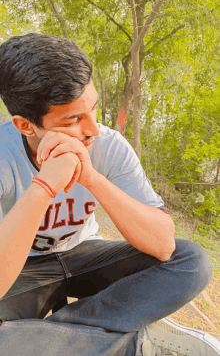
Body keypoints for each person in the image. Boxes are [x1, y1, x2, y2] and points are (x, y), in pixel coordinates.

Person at [0, 33, 218, 356]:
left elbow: (164, 242)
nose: (93, 129)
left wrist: (91, 177)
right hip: (27, 270)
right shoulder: (4, 156)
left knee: (192, 262)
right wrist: (44, 186)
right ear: (26, 126)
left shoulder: (109, 146)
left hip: (86, 254)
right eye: (74, 119)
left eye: (94, 109)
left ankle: (55, 335)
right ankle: (132, 344)